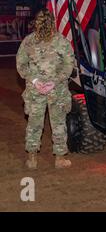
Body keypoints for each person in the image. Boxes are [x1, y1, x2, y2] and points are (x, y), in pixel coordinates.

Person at [16, 9, 75, 169]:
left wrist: (35, 80)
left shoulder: (28, 41)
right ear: (53, 22)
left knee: (34, 123)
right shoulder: (61, 41)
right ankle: (60, 159)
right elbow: (69, 65)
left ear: (36, 22)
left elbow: (20, 65)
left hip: (35, 90)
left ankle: (32, 159)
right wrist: (54, 82)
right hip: (57, 90)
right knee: (58, 123)